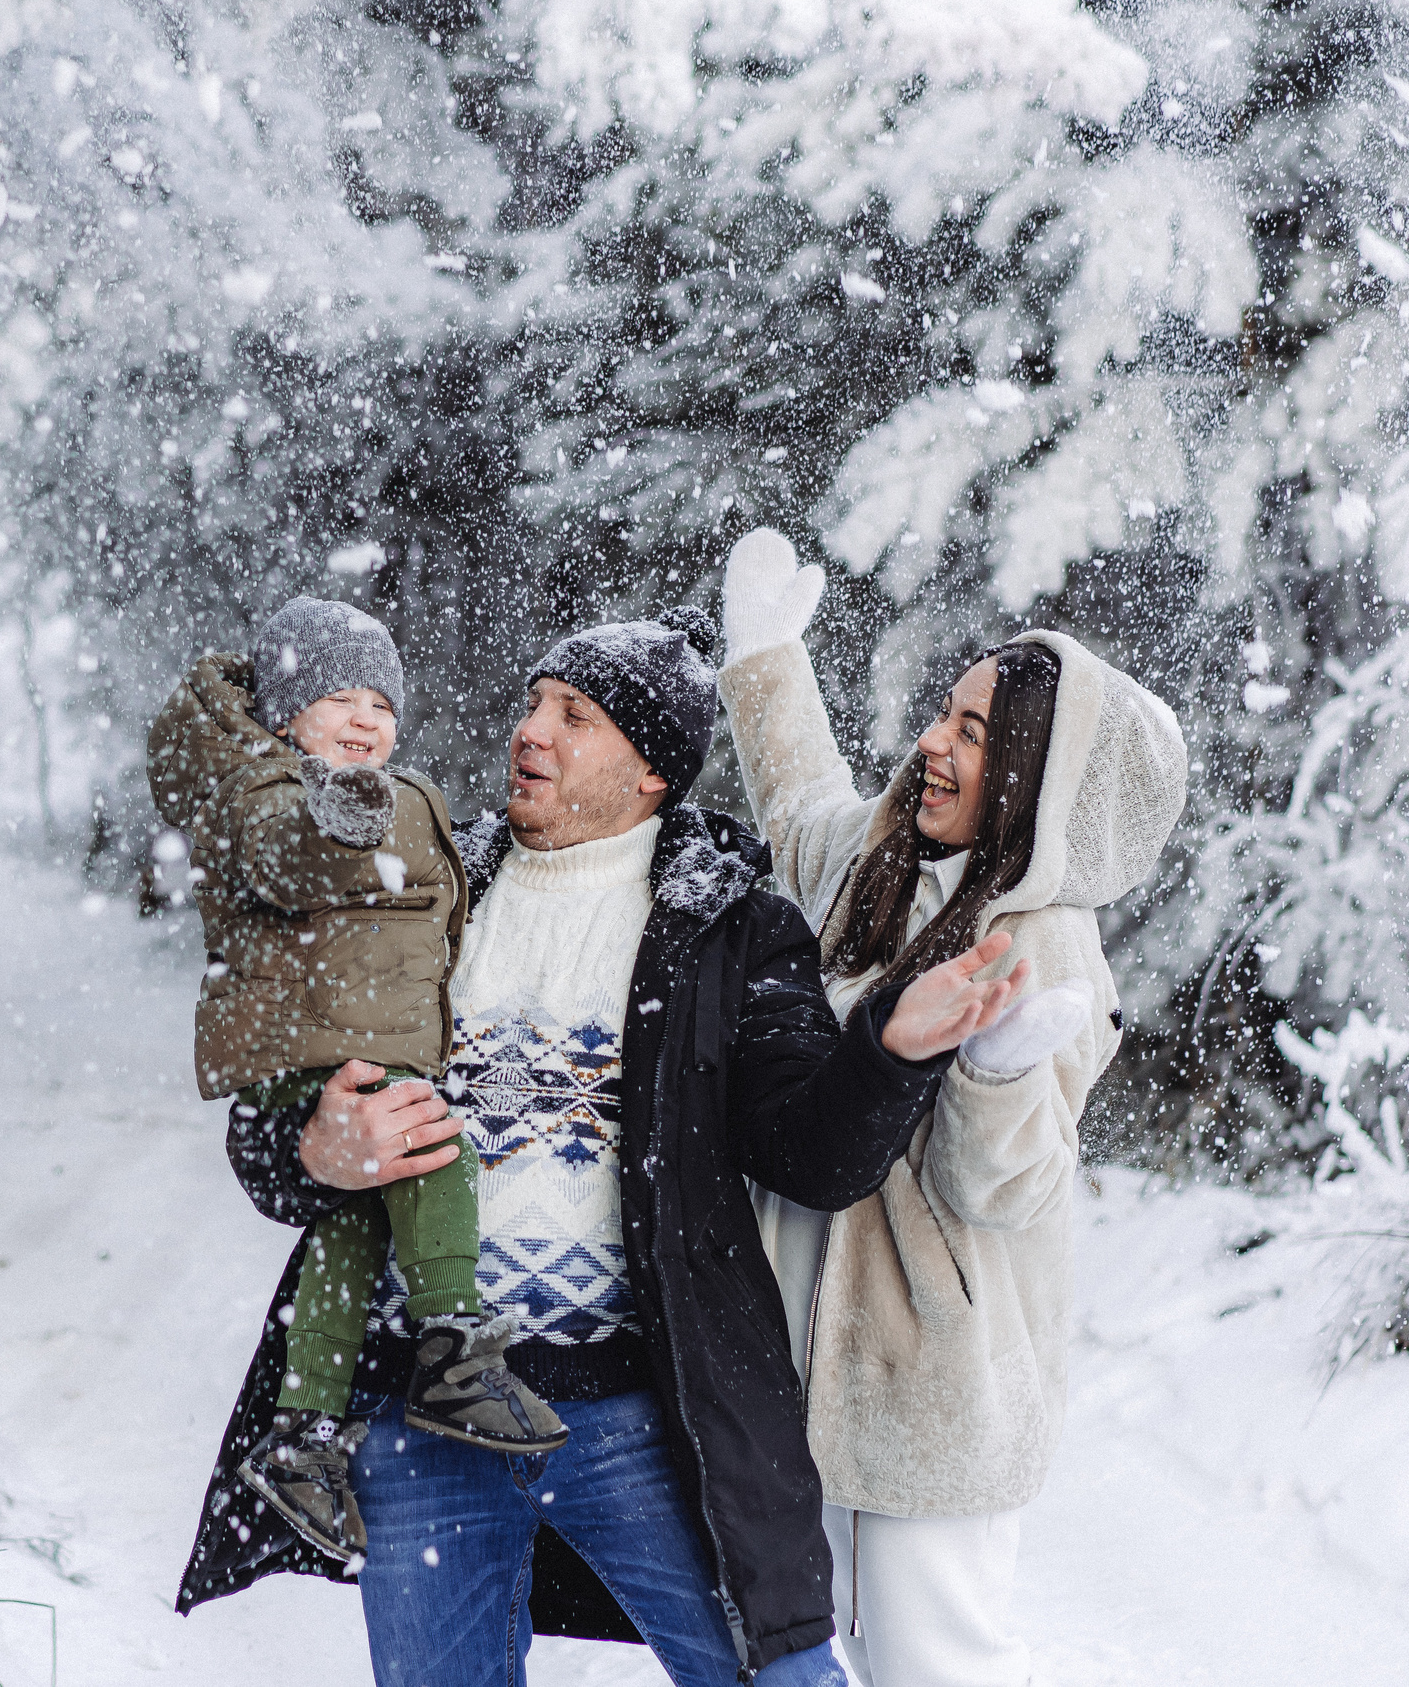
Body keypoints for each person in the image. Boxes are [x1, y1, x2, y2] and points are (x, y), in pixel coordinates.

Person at [178, 605, 1052, 1687]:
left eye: (574, 716)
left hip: (639, 1420)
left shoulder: (729, 926)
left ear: (650, 773)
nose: (529, 732)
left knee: (780, 1678)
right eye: (532, 704)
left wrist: (887, 1055)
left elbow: (810, 1155)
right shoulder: (422, 885)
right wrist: (316, 1148)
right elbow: (270, 1109)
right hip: (421, 1419)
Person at [713, 529, 1189, 1687]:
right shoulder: (885, 866)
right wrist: (768, 659)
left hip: (932, 1382)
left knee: (935, 1669)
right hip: (799, 1365)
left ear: (1037, 773)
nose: (930, 744)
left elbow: (997, 1188)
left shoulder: (1044, 945)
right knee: (787, 1659)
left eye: (971, 734)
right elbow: (799, 810)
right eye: (944, 713)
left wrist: (1003, 1071)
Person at [146, 597, 568, 1568]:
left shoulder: (374, 793)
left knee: (351, 1228)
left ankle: (304, 1432)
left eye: (380, 702)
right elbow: (282, 855)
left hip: (346, 1044)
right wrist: (334, 817)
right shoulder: (276, 795)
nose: (364, 719)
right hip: (326, 1056)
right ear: (287, 715)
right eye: (337, 696)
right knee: (438, 1153)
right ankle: (454, 1344)